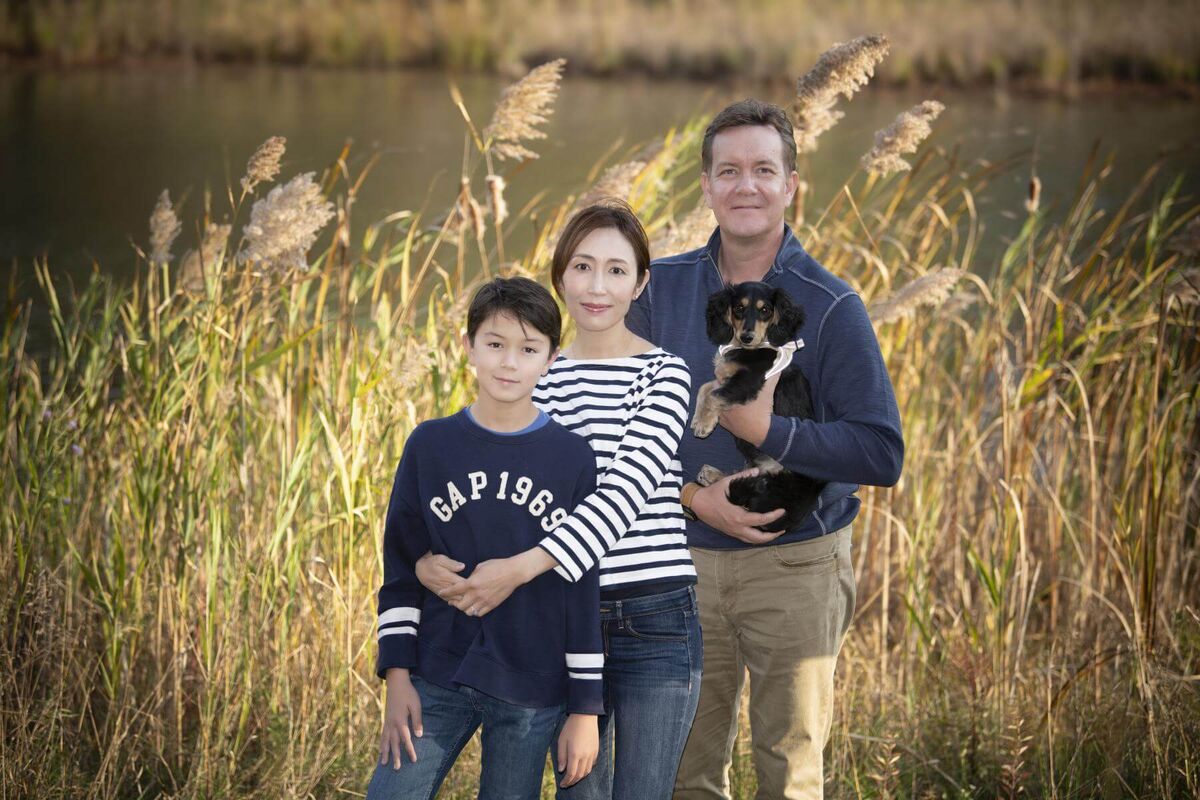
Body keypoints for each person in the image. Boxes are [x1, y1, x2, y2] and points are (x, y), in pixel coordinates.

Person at [627, 99, 905, 799]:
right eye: (728, 170)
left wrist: (764, 431)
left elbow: (880, 453)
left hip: (796, 567)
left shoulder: (832, 304)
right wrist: (692, 499)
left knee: (789, 775)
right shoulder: (657, 291)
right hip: (678, 562)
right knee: (684, 774)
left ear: (791, 185)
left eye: (762, 169)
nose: (744, 186)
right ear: (708, 186)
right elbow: (612, 430)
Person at [416, 201, 704, 800]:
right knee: (581, 795)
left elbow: (624, 491)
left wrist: (519, 569)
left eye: (617, 271)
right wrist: (424, 559)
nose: (598, 287)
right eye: (583, 267)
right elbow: (494, 491)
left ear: (641, 282)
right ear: (560, 276)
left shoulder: (666, 375)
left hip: (656, 619)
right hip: (566, 619)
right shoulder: (535, 374)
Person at [366, 277, 605, 800]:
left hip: (530, 685)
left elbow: (582, 589)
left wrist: (585, 709)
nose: (508, 363)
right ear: (468, 346)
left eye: (528, 349)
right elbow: (402, 567)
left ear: (551, 359)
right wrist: (397, 675)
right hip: (436, 671)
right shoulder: (431, 444)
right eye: (494, 344)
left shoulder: (571, 457)